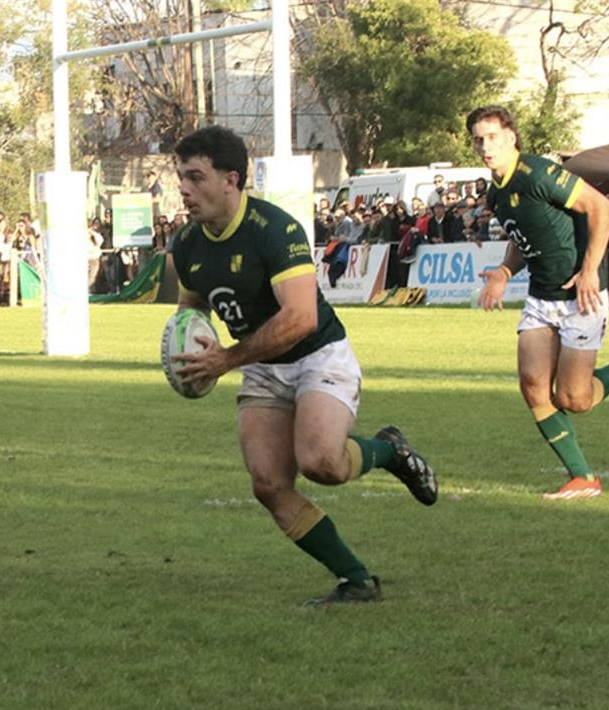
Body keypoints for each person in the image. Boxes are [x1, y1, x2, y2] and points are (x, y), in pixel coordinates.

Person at [166, 126, 438, 606]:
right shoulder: (187, 245)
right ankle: (356, 579)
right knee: (268, 484)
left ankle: (389, 451)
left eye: (194, 177)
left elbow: (300, 317)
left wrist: (225, 359)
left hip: (317, 356)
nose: (184, 189)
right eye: (180, 177)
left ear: (231, 179)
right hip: (262, 366)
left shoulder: (275, 230)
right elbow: (193, 310)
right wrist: (187, 350)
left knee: (322, 463)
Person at [469, 105, 609, 500]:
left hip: (581, 294)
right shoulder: (496, 192)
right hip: (542, 296)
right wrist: (505, 272)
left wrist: (590, 269)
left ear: (510, 137)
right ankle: (583, 478)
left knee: (574, 399)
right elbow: (524, 236)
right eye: (478, 139)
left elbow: (601, 207)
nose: (485, 146)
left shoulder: (536, 172)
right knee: (533, 386)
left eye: (491, 137)